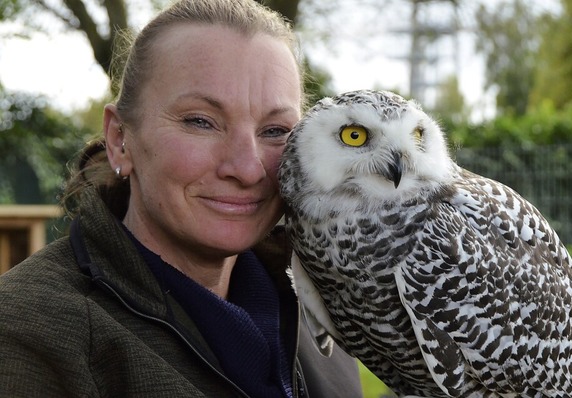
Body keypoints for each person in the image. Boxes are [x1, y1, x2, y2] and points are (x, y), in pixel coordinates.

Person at [0, 0, 364, 397]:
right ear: (120, 139)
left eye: (276, 130)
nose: (247, 168)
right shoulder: (28, 334)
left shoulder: (326, 306)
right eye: (200, 122)